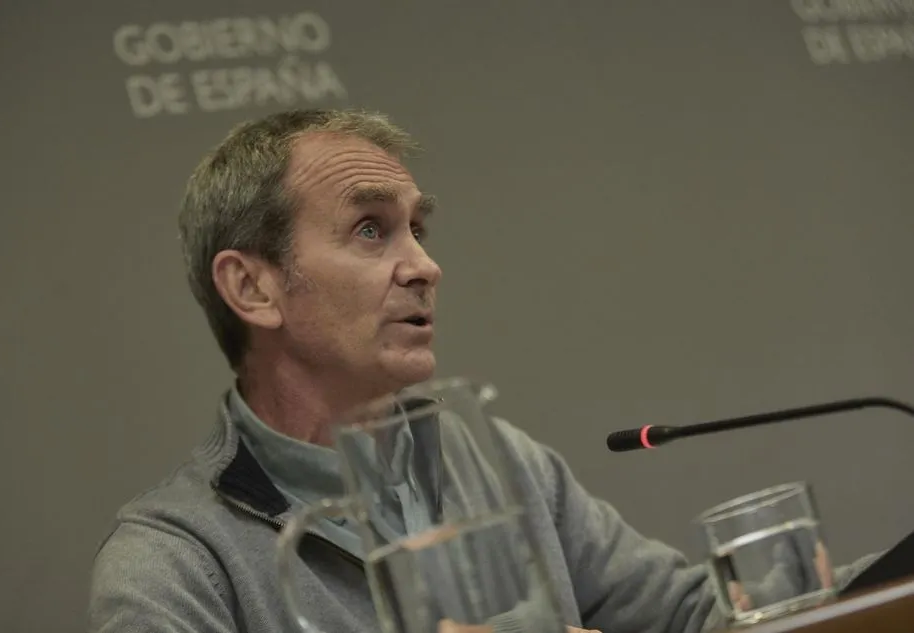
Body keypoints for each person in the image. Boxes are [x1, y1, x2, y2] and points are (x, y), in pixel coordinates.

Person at [87, 109, 874, 633]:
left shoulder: (494, 460)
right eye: (370, 230)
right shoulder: (173, 566)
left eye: (417, 229)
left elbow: (697, 616)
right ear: (252, 286)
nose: (425, 265)